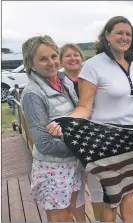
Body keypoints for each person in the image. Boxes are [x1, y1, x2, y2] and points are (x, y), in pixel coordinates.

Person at [47, 15, 133, 222]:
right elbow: (84, 106)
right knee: (112, 196)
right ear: (107, 35)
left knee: (130, 189)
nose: (124, 37)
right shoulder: (93, 65)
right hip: (107, 139)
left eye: (128, 33)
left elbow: (132, 102)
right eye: (119, 33)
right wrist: (64, 121)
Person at [20, 35, 83, 222]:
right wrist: (80, 146)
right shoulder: (32, 93)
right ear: (31, 64)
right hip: (53, 167)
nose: (52, 62)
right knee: (60, 218)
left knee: (69, 213)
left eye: (54, 56)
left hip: (71, 163)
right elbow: (45, 143)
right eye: (43, 59)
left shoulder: (64, 82)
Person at [60, 43, 106, 222]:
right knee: (76, 190)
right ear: (61, 60)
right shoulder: (58, 83)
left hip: (94, 141)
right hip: (71, 144)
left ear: (82, 58)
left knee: (97, 187)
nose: (73, 58)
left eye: (76, 55)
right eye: (68, 55)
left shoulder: (92, 79)